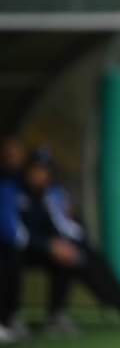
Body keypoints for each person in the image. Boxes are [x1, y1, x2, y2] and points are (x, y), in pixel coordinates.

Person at [17, 148, 120, 335]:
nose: (42, 174)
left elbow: (67, 226)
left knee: (86, 254)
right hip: (24, 249)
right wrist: (49, 245)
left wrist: (71, 239)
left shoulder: (52, 194)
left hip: (50, 247)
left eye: (45, 170)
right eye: (37, 169)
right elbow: (17, 232)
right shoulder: (16, 193)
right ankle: (57, 315)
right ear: (28, 170)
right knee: (68, 256)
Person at [0, 137, 30, 343]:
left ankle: (9, 317)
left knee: (12, 258)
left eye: (17, 154)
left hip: (14, 242)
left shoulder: (20, 181)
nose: (14, 159)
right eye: (9, 154)